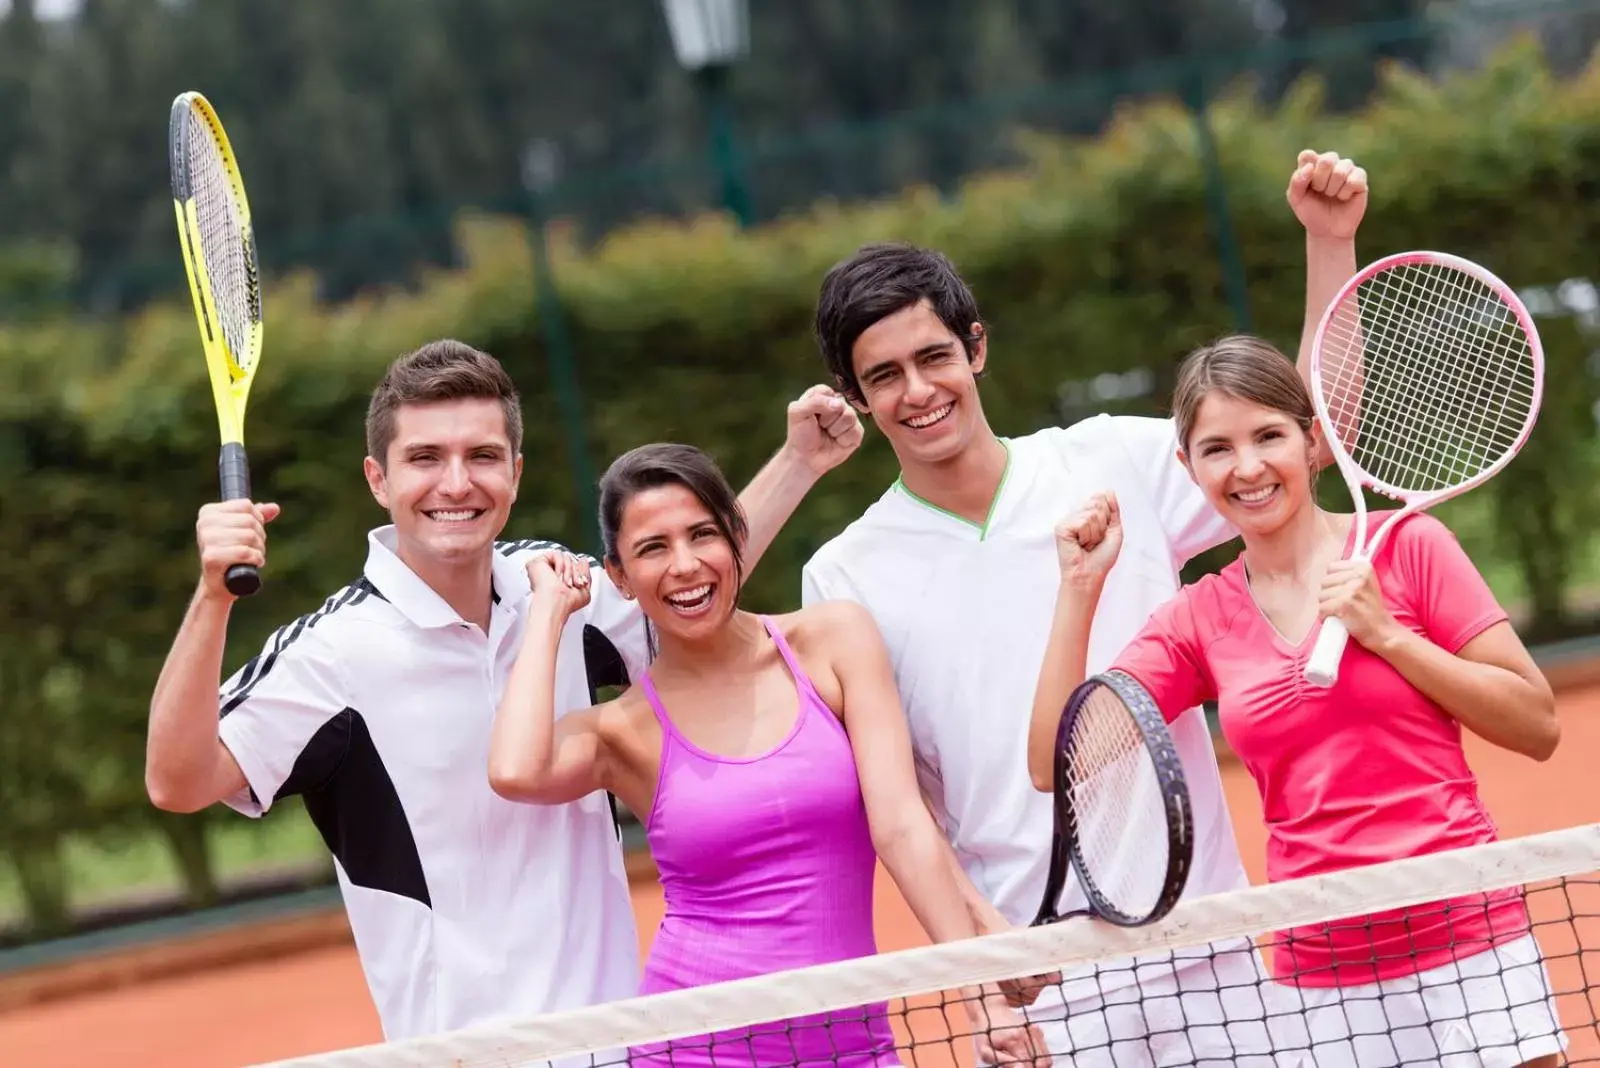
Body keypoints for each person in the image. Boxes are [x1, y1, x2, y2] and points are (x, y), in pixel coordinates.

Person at [799, 149, 1369, 1067]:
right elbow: (902, 807)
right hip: (1044, 974)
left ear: (976, 347)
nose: (918, 392)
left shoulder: (1115, 459)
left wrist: (1329, 243)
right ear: (858, 398)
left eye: (934, 356)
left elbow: (1316, 436)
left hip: (1204, 935)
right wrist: (984, 972)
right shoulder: (844, 574)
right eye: (884, 376)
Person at [144, 339, 867, 1044]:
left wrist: (799, 463)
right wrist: (213, 596)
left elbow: (690, 581)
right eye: (425, 458)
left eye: (482, 456)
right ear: (377, 478)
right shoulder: (329, 655)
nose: (456, 483)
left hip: (626, 1039)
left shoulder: (552, 584)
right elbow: (179, 781)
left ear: (515, 473)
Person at [1027, 334, 1566, 1068]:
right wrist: (1079, 589)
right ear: (1188, 468)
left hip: (1470, 943)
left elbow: (1537, 724)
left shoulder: (1411, 546)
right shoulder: (1198, 618)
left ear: (1313, 442)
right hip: (1321, 977)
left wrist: (1390, 637)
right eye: (1216, 448)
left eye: (1269, 436)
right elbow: (1056, 762)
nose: (1246, 468)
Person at [487, 441, 1047, 1068]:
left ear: (736, 538)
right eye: (652, 548)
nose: (685, 565)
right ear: (618, 577)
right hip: (695, 1047)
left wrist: (979, 995)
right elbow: (515, 769)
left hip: (856, 1045)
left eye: (703, 534)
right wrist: (549, 614)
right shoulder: (622, 730)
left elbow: (903, 825)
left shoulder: (833, 639)